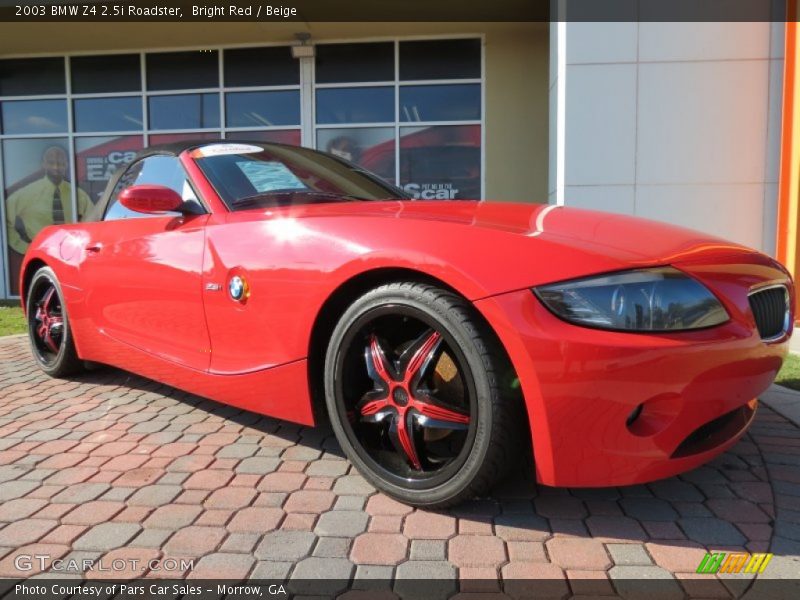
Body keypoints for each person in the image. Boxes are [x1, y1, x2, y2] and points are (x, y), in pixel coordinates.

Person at [5, 145, 90, 295]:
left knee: (69, 293)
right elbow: (5, 219)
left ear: (67, 165)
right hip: (40, 256)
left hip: (69, 256)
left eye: (61, 163)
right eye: (51, 163)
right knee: (43, 291)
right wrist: (24, 247)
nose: (56, 167)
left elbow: (93, 221)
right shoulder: (27, 194)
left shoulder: (77, 194)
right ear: (43, 164)